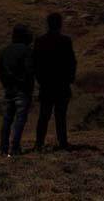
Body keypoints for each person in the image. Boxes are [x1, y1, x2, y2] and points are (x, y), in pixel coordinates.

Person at [32, 12, 76, 151]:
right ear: (60, 24)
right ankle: (62, 142)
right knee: (60, 116)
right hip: (62, 84)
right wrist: (70, 78)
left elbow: (36, 63)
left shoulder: (40, 41)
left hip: (46, 84)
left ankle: (39, 143)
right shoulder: (65, 41)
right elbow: (71, 62)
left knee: (44, 115)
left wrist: (40, 79)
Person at [0, 23, 34, 156]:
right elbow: (29, 71)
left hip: (9, 89)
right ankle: (15, 148)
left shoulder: (5, 51)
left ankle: (3, 148)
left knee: (7, 119)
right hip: (22, 90)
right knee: (20, 119)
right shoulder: (26, 50)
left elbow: (0, 73)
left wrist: (7, 84)